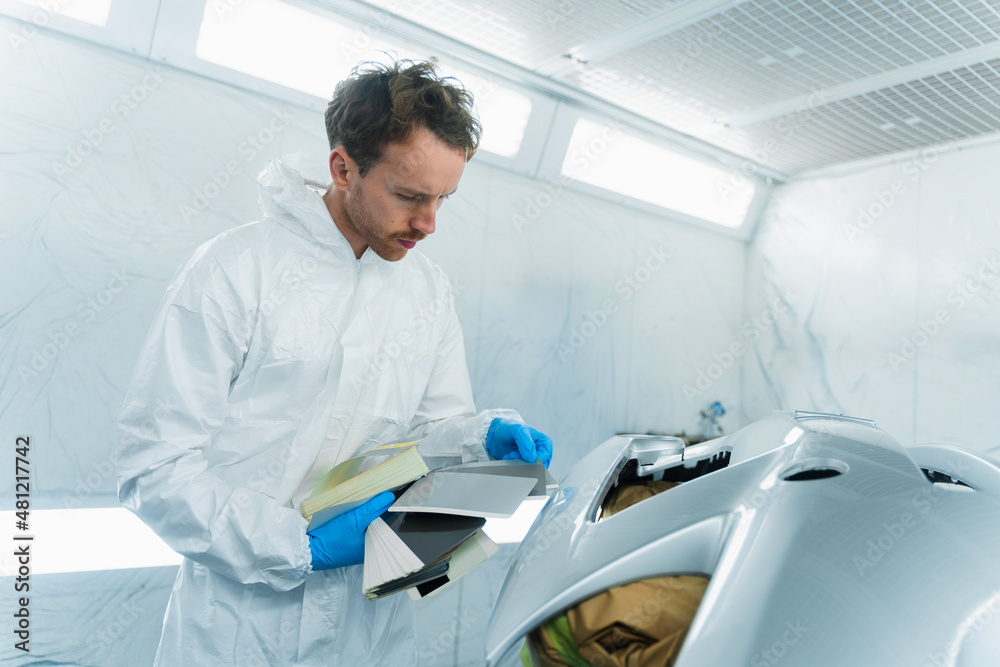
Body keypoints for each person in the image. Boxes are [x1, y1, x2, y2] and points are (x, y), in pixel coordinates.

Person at [115, 59, 553, 666]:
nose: (428, 223)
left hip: (369, 631)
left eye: (443, 199)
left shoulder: (426, 290)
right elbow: (155, 468)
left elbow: (424, 441)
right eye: (409, 196)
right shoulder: (235, 270)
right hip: (240, 631)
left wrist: (478, 441)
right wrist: (297, 545)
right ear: (343, 168)